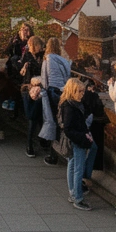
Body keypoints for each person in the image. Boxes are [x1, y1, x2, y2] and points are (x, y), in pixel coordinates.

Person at [58, 79, 95, 211]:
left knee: (72, 165)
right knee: (78, 168)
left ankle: (73, 193)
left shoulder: (69, 103)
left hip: (74, 139)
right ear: (71, 91)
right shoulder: (71, 107)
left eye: (83, 91)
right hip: (77, 140)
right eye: (79, 91)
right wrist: (83, 137)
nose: (82, 94)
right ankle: (78, 198)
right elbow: (68, 128)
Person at [41, 37, 71, 165]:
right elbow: (68, 77)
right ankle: (64, 150)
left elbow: (45, 79)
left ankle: (53, 155)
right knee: (61, 122)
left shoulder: (47, 59)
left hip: (52, 91)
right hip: (62, 91)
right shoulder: (64, 60)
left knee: (52, 121)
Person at [17, 35, 46, 158]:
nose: (41, 47)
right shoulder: (27, 56)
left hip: (40, 88)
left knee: (41, 117)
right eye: (39, 45)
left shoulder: (43, 56)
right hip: (28, 89)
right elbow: (22, 72)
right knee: (32, 118)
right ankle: (29, 145)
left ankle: (42, 140)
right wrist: (25, 67)